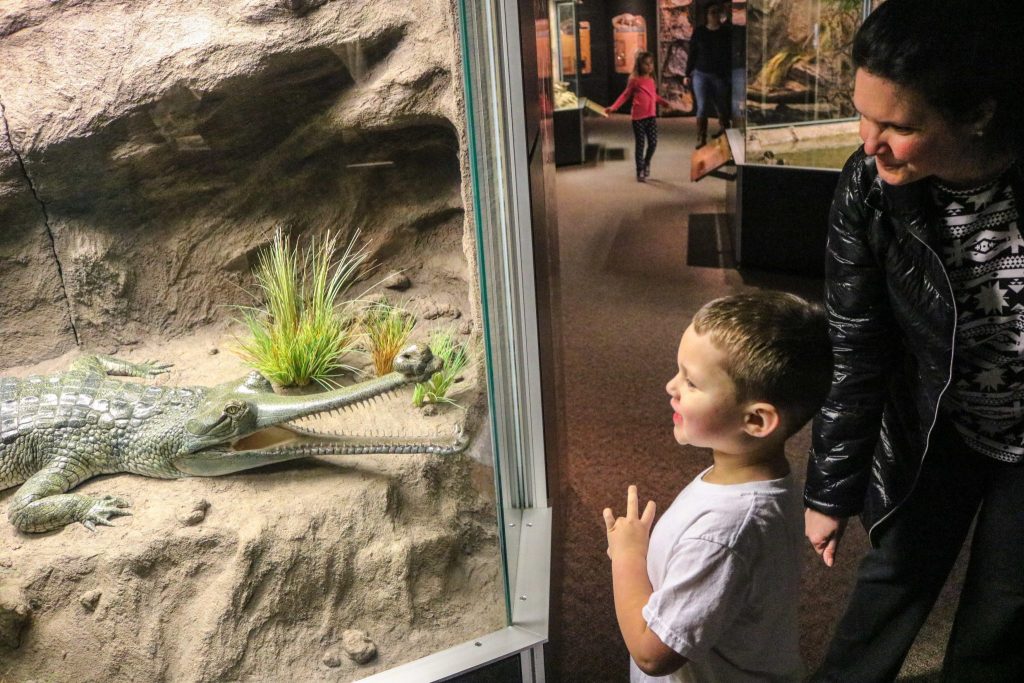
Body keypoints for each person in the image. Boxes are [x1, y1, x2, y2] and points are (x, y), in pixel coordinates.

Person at [802, 0, 1024, 680]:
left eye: (897, 125)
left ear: (978, 114)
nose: (869, 142)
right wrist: (829, 490)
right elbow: (855, 343)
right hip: (936, 423)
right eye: (863, 114)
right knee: (890, 584)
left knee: (1005, 611)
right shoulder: (866, 187)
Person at [603, 292, 833, 682]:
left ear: (757, 421)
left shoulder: (724, 532)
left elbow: (652, 654)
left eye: (691, 382)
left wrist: (627, 557)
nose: (670, 386)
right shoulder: (760, 478)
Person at [606, 51, 670, 182]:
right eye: (646, 64)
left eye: (651, 63)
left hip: (651, 117)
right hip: (638, 118)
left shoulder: (651, 80)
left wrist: (663, 102)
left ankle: (646, 162)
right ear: (639, 65)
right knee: (640, 144)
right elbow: (625, 95)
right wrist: (614, 107)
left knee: (653, 143)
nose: (649, 66)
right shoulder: (634, 80)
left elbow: (653, 96)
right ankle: (639, 170)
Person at [684, 2, 731, 149]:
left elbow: (728, 55)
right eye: (712, 12)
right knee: (702, 106)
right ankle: (701, 137)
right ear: (707, 15)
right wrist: (687, 73)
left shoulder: (725, 33)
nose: (715, 15)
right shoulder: (699, 32)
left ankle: (725, 131)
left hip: (719, 75)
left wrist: (729, 74)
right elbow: (692, 53)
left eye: (717, 12)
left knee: (721, 105)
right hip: (701, 74)